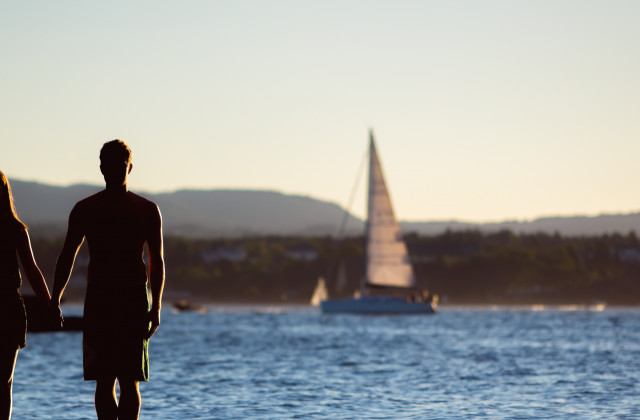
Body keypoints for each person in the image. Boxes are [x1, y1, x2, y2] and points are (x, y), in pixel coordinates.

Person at [50, 140, 165, 420]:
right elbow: (67, 257)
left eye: (120, 165)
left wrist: (157, 305)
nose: (115, 171)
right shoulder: (85, 209)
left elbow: (157, 261)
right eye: (110, 165)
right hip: (101, 299)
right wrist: (54, 300)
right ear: (101, 168)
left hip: (134, 299)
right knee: (105, 381)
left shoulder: (147, 209)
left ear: (130, 167)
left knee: (128, 381)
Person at [0, 170, 52, 420]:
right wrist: (50, 306)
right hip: (10, 307)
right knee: (4, 382)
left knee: (4, 381)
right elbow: (32, 270)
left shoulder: (16, 229)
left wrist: (50, 305)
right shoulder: (15, 228)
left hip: (9, 308)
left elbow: (33, 271)